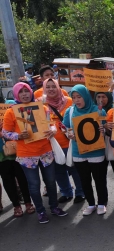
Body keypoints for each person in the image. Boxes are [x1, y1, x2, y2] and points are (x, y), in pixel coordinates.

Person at [2, 82, 68, 223]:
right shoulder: (11, 111)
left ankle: (54, 207)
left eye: (27, 91)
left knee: (50, 182)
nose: (25, 94)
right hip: (26, 155)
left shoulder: (43, 108)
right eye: (21, 92)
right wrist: (18, 136)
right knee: (34, 185)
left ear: (31, 92)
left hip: (46, 152)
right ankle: (41, 211)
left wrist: (53, 130)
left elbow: (51, 124)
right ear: (16, 94)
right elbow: (5, 132)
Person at [63, 85, 108, 215]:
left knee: (99, 179)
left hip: (96, 151)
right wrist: (69, 134)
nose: (77, 100)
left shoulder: (99, 110)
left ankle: (101, 203)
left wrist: (103, 130)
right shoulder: (70, 111)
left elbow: (105, 129)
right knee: (84, 180)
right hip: (79, 152)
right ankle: (91, 204)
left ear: (86, 96)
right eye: (74, 97)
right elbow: (66, 127)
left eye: (79, 97)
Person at [42, 78, 85, 203]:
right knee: (58, 171)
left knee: (75, 169)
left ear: (58, 87)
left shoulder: (70, 101)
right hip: (52, 144)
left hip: (71, 142)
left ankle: (80, 192)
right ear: (44, 89)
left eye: (53, 86)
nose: (51, 89)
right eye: (48, 87)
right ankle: (66, 192)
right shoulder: (41, 104)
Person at [0, 108, 34, 217]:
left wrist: (6, 130)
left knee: (22, 178)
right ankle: (16, 205)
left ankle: (28, 203)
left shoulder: (9, 107)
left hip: (17, 150)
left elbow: (22, 124)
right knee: (8, 180)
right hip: (1, 156)